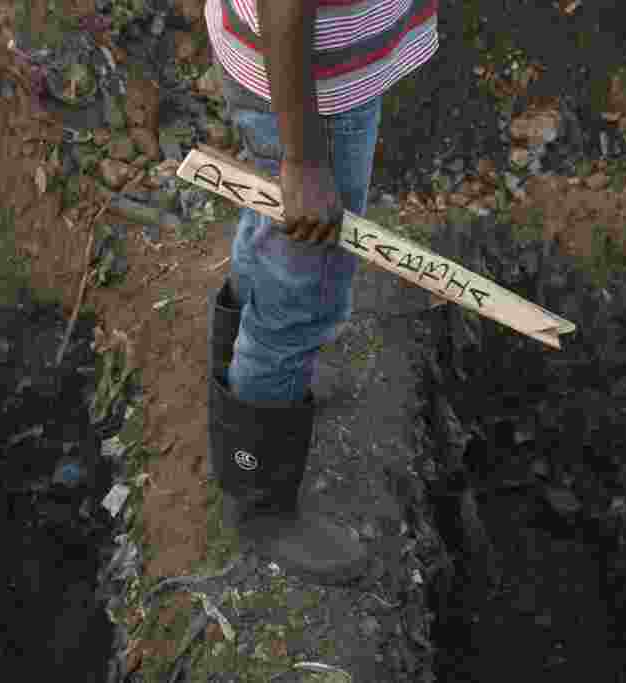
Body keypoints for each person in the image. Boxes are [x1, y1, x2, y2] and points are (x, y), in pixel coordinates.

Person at [204, 0, 439, 586]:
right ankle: (260, 498)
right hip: (313, 91)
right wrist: (305, 159)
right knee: (304, 291)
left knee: (277, 230)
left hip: (299, 70)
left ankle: (245, 392)